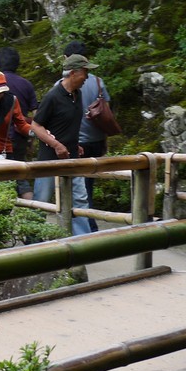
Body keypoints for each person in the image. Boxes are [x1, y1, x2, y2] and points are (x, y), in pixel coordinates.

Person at [30, 53, 96, 236]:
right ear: (73, 73)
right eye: (85, 72)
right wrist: (56, 145)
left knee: (80, 199)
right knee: (42, 200)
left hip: (72, 156)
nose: (87, 77)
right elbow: (36, 125)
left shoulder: (77, 94)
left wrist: (75, 143)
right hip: (49, 159)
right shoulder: (53, 96)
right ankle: (32, 240)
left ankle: (81, 239)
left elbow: (67, 124)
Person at [64, 41, 110, 232]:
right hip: (96, 139)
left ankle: (86, 225)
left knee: (78, 188)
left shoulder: (63, 85)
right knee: (87, 184)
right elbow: (106, 110)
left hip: (77, 142)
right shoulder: (98, 81)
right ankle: (88, 223)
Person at [0, 47, 39, 199]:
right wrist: (32, 138)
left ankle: (8, 210)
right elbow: (36, 114)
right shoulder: (26, 84)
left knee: (0, 177)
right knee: (21, 175)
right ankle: (30, 208)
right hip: (20, 136)